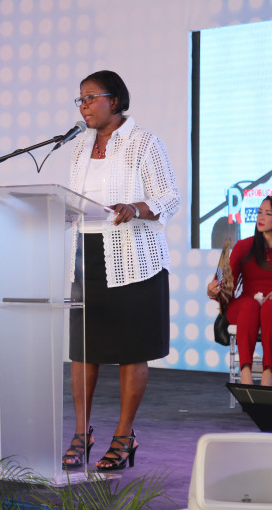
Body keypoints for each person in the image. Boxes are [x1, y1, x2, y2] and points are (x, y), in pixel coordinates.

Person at [63, 70, 180, 471]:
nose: (84, 106)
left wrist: (136, 208)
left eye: (90, 98)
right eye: (80, 99)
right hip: (87, 257)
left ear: (114, 101)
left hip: (134, 259)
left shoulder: (144, 142)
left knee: (132, 351)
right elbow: (75, 200)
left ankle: (123, 436)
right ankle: (81, 434)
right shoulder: (79, 147)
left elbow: (170, 196)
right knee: (83, 350)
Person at [207, 196, 272, 386]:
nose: (260, 217)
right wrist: (213, 290)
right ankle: (245, 372)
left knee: (270, 307)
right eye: (259, 212)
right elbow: (224, 284)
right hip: (246, 303)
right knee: (250, 305)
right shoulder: (243, 246)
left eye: (268, 213)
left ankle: (268, 373)